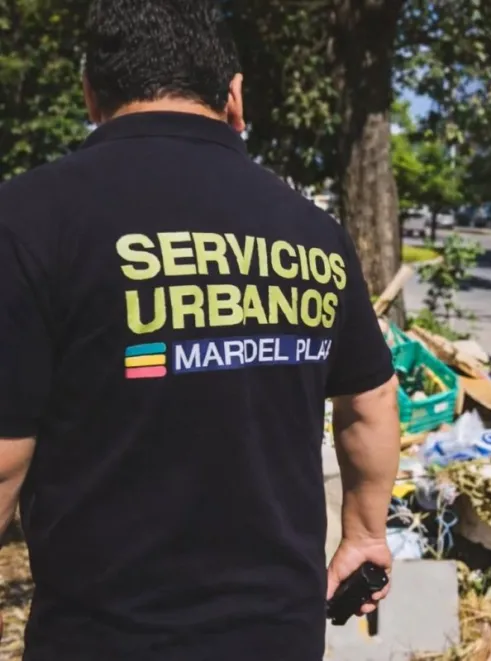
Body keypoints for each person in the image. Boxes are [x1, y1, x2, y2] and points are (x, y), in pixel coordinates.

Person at [0, 2, 400, 659]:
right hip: (280, 635)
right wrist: (364, 533)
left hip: (106, 638)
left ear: (91, 94)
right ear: (234, 96)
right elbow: (372, 398)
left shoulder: (28, 219)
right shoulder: (312, 230)